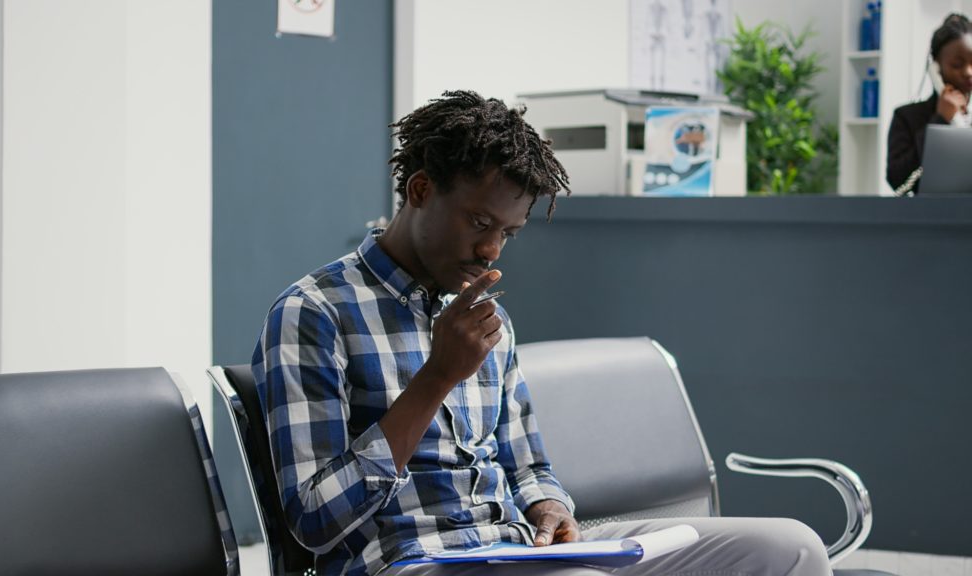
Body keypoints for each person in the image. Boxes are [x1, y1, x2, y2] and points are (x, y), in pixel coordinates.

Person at [252, 90, 831, 576]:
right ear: (421, 190)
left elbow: (528, 467)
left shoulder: (488, 320)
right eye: (480, 223)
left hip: (513, 554)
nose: (491, 250)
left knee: (788, 548)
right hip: (415, 562)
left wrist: (549, 506)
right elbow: (312, 522)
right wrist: (436, 378)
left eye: (509, 233)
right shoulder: (314, 313)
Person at [887, 13, 972, 194]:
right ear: (936, 68)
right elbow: (898, 180)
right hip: (930, 216)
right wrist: (940, 120)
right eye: (957, 64)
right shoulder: (907, 117)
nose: (968, 72)